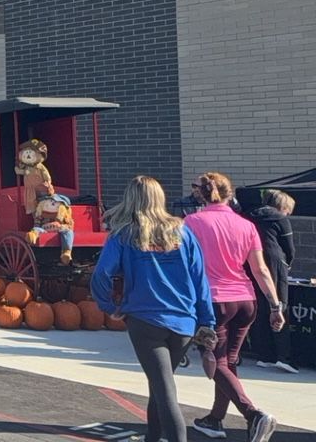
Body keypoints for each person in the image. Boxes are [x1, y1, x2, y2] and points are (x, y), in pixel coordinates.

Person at [92, 176, 216, 442]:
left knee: (163, 387)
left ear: (131, 199)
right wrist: (207, 321)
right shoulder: (182, 231)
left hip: (145, 319)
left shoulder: (124, 233)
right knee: (159, 384)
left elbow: (101, 274)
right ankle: (153, 437)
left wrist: (109, 306)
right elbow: (199, 279)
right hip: (183, 321)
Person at [184, 172, 285, 442]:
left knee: (216, 363)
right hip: (246, 300)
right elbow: (261, 269)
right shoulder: (246, 225)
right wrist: (275, 305)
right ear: (230, 194)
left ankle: (253, 415)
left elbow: (183, 266)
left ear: (200, 194)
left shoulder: (191, 222)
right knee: (227, 361)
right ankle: (215, 419)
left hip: (213, 302)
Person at [249, 189, 297, 374]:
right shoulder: (280, 219)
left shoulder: (250, 216)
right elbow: (289, 249)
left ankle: (264, 355)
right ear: (283, 206)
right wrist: (287, 265)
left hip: (253, 260)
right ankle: (284, 356)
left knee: (260, 307)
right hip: (276, 263)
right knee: (279, 305)